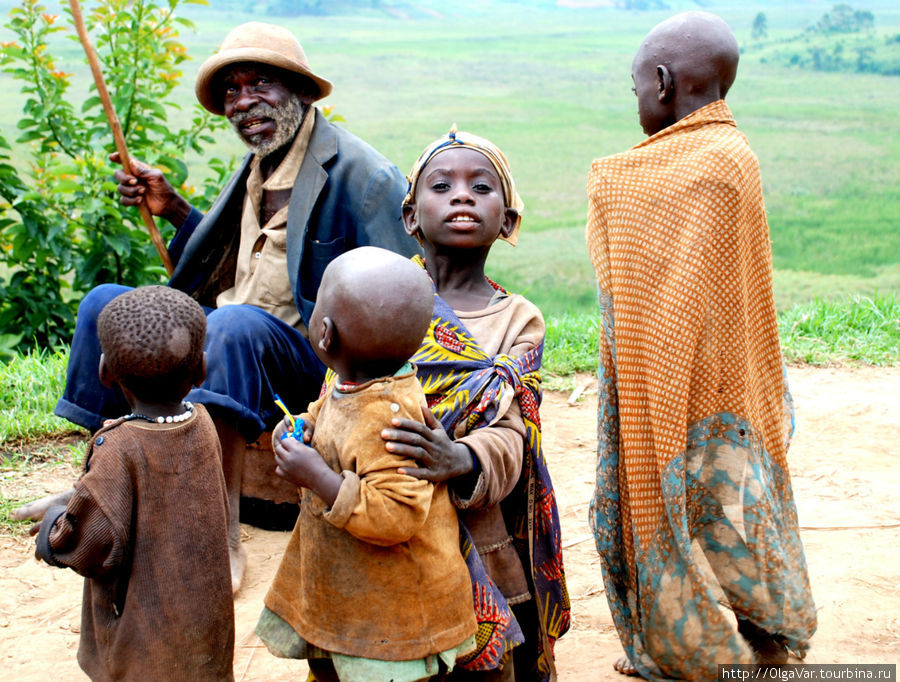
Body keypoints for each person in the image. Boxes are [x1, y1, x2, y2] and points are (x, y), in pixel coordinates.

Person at [26, 21, 419, 592]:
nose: (243, 102)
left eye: (260, 83)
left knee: (233, 325)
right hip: (233, 337)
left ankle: (220, 533)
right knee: (105, 305)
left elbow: (407, 289)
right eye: (232, 91)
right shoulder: (257, 169)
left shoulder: (363, 176)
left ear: (301, 91)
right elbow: (227, 264)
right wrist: (175, 210)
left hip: (311, 363)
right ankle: (94, 485)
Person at [585, 11, 817, 679]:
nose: (636, 100)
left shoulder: (696, 165)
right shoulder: (733, 155)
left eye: (635, 88)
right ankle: (718, 642)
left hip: (680, 384)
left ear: (662, 82)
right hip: (729, 383)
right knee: (731, 515)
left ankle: (723, 646)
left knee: (707, 515)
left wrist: (605, 186)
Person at [381, 128, 570, 681]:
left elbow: (517, 431)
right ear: (412, 217)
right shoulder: (383, 295)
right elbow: (341, 390)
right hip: (387, 508)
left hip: (481, 526)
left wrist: (464, 460)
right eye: (442, 186)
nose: (462, 195)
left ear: (507, 221)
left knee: (483, 660)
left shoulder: (518, 320)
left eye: (480, 187)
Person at [256, 246, 477, 681]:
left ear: (326, 334)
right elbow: (328, 415)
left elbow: (395, 515)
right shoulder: (354, 385)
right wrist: (300, 426)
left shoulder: (388, 422)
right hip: (352, 598)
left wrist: (317, 477)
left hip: (393, 620)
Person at [33, 286, 234, 681]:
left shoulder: (118, 447)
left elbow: (90, 545)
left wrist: (52, 529)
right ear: (202, 368)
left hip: (144, 654)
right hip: (205, 641)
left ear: (105, 371)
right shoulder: (205, 424)